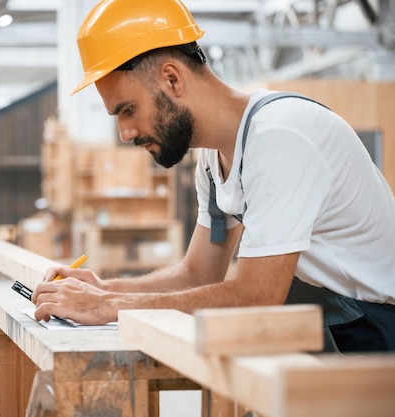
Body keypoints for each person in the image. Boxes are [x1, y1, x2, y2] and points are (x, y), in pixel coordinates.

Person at [32, 0, 395, 353]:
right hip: (331, 323)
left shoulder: (280, 137)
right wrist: (104, 290)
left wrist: (107, 306)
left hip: (377, 331)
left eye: (128, 110)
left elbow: (257, 297)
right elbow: (199, 275)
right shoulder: (213, 158)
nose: (126, 133)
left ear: (172, 78)